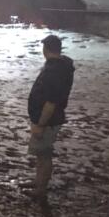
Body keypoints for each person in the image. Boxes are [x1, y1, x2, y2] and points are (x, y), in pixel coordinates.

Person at [27, 34, 75, 197]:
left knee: (44, 154)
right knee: (41, 154)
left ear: (46, 49)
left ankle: (41, 189)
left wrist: (40, 124)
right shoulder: (61, 66)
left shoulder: (54, 71)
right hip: (50, 118)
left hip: (48, 120)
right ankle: (38, 181)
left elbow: (51, 102)